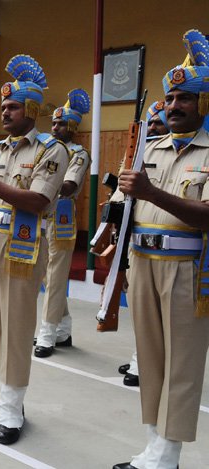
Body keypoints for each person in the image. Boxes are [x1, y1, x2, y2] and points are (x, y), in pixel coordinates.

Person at [112, 29, 209, 469]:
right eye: (170, 99)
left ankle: (168, 454)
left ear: (203, 103)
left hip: (186, 268)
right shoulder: (149, 148)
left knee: (181, 366)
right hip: (143, 263)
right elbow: (123, 206)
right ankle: (153, 442)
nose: (173, 107)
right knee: (150, 359)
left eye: (184, 98)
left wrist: (151, 193)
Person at [0, 55, 68, 445]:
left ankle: (12, 405)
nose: (5, 112)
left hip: (23, 241)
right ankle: (8, 397)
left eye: (13, 106)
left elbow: (38, 201)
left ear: (33, 109)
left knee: (19, 325)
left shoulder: (51, 150)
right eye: (3, 107)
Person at [117, 100, 171, 388]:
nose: (152, 128)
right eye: (149, 124)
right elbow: (118, 197)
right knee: (140, 308)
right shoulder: (136, 154)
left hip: (175, 252)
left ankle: (149, 363)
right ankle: (141, 357)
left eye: (157, 123)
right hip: (135, 242)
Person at [34, 89, 91, 358]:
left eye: (60, 124)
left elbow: (68, 186)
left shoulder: (79, 154)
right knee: (47, 276)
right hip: (41, 217)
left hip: (62, 219)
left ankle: (47, 334)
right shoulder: (47, 149)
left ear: (72, 126)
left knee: (56, 278)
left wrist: (41, 185)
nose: (54, 127)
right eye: (53, 123)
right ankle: (64, 328)